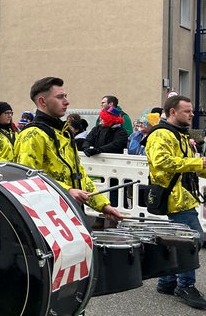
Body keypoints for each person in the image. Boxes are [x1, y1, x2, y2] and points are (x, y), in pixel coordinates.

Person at [13, 77, 123, 223]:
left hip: (70, 213)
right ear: (42, 101)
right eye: (60, 97)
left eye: (65, 96)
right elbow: (29, 179)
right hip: (47, 218)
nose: (66, 101)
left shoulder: (63, 133)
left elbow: (79, 175)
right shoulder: (32, 135)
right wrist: (67, 191)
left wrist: (102, 205)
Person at [145, 95, 206, 309]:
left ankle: (167, 281)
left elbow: (189, 166)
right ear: (172, 112)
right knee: (192, 240)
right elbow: (162, 162)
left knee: (178, 239)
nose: (192, 114)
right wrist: (198, 162)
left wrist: (200, 165)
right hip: (175, 198)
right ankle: (185, 285)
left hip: (183, 196)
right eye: (187, 111)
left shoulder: (179, 134)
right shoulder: (161, 134)